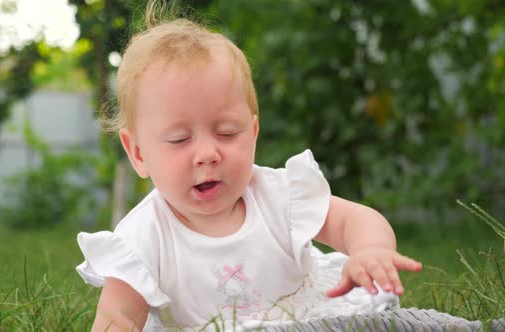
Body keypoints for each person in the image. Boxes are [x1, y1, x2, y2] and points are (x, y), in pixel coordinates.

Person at [76, 3, 422, 331]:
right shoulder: (144, 237)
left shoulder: (278, 196)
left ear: (253, 133)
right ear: (138, 154)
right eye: (180, 139)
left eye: (227, 133)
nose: (208, 153)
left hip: (304, 322)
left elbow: (353, 220)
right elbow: (116, 319)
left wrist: (370, 250)